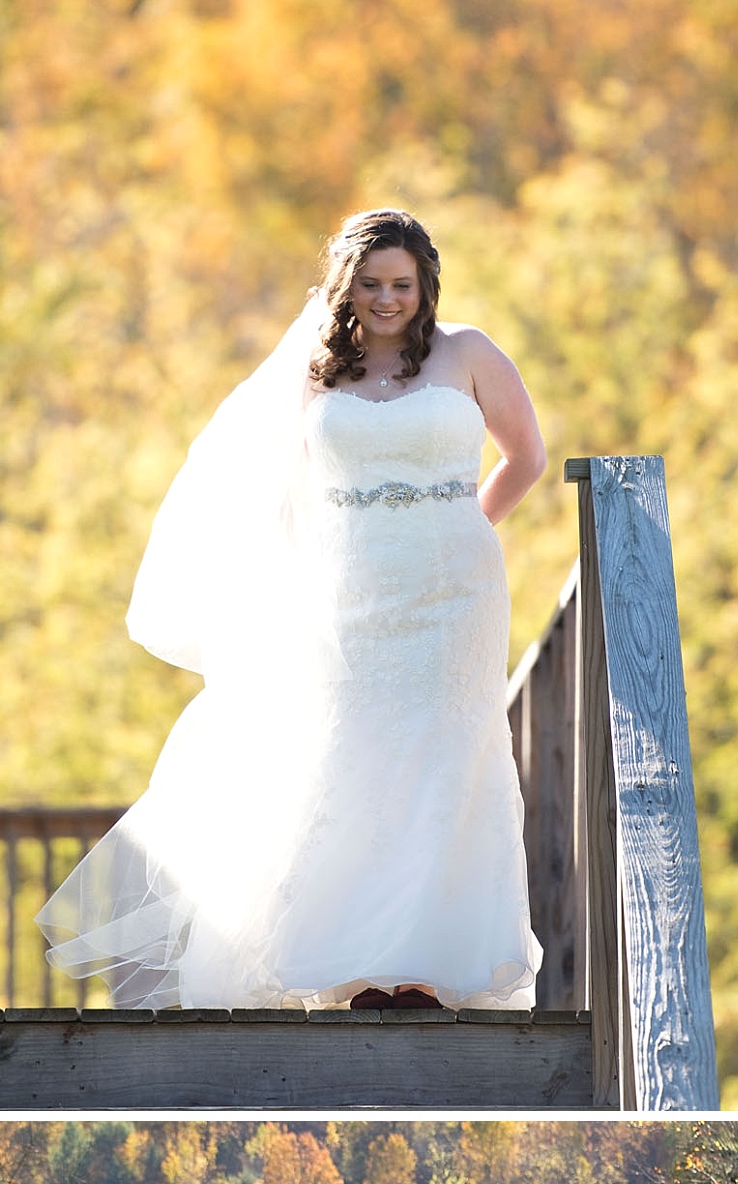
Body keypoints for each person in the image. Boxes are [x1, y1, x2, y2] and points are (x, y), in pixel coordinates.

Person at [38, 208, 548, 1012]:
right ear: (348, 287)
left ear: (426, 285)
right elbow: (278, 493)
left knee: (452, 755)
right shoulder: (317, 372)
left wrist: (465, 525)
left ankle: (424, 969)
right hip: (354, 594)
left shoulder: (469, 354)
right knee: (360, 756)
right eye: (372, 284)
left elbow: (528, 456)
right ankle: (357, 970)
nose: (388, 300)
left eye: (402, 285)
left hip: (457, 595)